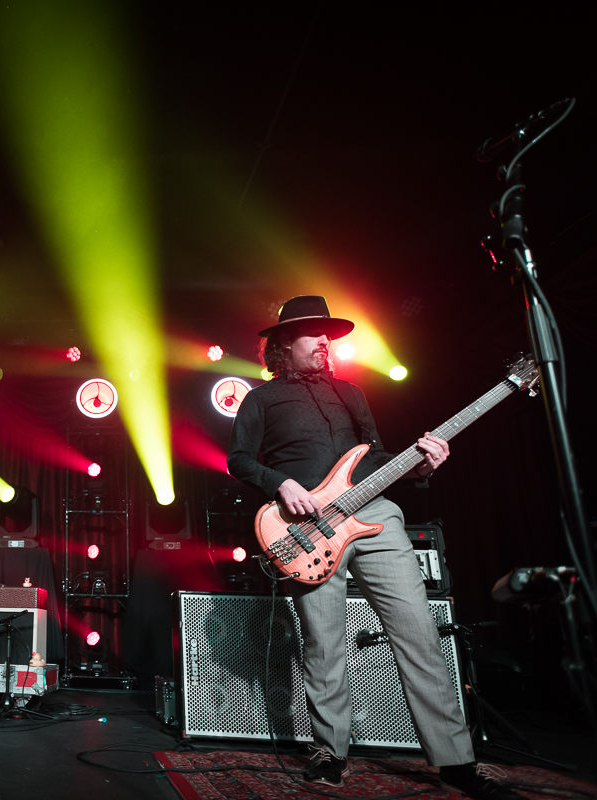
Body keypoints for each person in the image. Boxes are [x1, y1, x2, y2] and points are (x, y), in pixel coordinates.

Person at [227, 296, 523, 800]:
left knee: (420, 633)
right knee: (324, 643)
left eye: (328, 334)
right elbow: (238, 460)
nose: (324, 342)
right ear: (282, 345)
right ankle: (330, 752)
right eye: (312, 334)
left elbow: (377, 456)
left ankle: (454, 760)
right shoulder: (260, 400)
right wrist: (280, 483)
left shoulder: (352, 394)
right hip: (308, 528)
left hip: (378, 516)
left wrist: (423, 466)